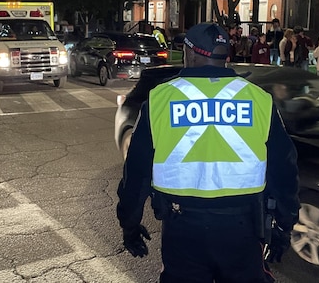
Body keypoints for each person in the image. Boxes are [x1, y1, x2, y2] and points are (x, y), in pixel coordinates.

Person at [116, 22, 300, 283]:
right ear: (225, 56)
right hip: (243, 228)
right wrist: (284, 225)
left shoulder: (160, 99)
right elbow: (285, 168)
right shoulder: (258, 99)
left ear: (190, 53)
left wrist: (130, 224)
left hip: (182, 229)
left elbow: (137, 173)